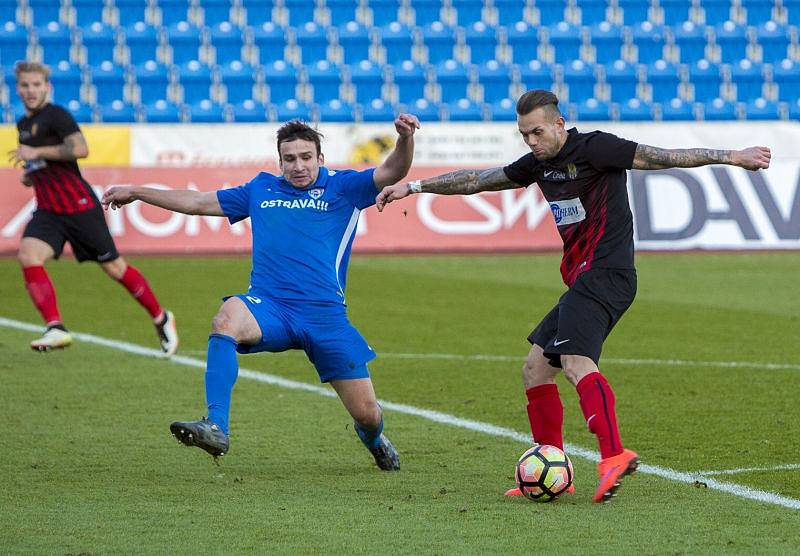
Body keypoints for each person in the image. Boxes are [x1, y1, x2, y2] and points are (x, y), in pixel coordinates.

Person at [375, 89, 771, 502]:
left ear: (559, 124)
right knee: (535, 368)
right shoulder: (539, 164)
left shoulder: (596, 148)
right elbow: (478, 180)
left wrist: (731, 156)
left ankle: (613, 455)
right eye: (524, 135)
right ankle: (554, 462)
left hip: (607, 273)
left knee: (575, 361)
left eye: (537, 132)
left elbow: (661, 157)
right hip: (583, 280)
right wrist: (415, 186)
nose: (531, 142)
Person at [102, 115, 421, 470]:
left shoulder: (344, 187)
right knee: (225, 319)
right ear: (279, 161)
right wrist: (137, 191)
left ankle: (375, 441)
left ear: (320, 158)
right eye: (289, 158)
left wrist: (405, 139)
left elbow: (393, 171)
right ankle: (216, 426)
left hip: (325, 316)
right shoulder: (261, 190)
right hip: (270, 306)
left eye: (305, 157)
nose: (298, 166)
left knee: (367, 414)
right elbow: (196, 202)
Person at [7, 61, 178, 356]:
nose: (31, 90)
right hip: (48, 209)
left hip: (79, 207)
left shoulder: (57, 116)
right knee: (28, 254)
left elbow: (79, 149)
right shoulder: (23, 124)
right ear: (17, 89)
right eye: (25, 85)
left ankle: (161, 317)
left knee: (114, 268)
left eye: (36, 84)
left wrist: (36, 153)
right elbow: (47, 162)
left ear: (47, 87)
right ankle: (55, 327)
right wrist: (31, 171)